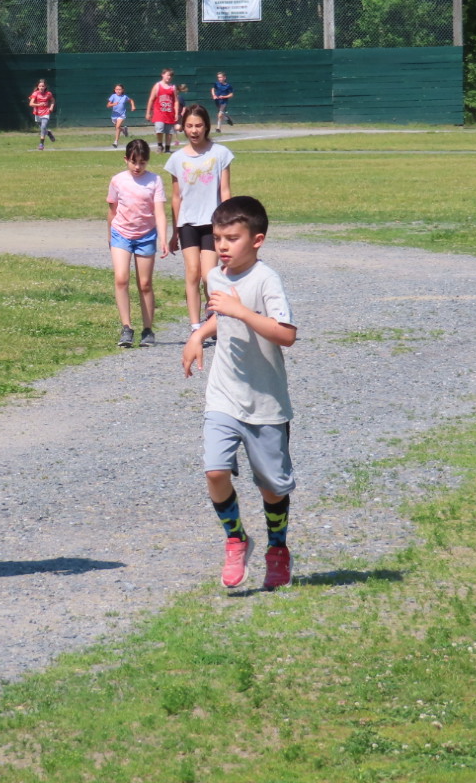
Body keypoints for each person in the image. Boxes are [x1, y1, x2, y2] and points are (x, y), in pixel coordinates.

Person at [181, 196, 296, 591]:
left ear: (257, 240)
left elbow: (286, 334)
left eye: (232, 238)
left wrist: (241, 310)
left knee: (272, 488)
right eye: (217, 239)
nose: (222, 246)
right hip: (224, 395)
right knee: (215, 471)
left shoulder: (266, 280)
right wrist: (198, 334)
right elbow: (220, 316)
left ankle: (277, 549)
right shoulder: (216, 277)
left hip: (266, 402)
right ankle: (236, 539)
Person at [166, 104, 233, 344]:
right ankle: (195, 326)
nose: (194, 130)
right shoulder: (177, 159)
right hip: (187, 224)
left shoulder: (220, 153)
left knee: (208, 276)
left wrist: (227, 225)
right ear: (183, 128)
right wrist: (175, 231)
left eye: (198, 125)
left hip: (212, 223)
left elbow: (225, 191)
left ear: (206, 126)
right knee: (192, 272)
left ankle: (211, 315)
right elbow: (176, 197)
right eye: (189, 126)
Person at [107, 138, 169, 348]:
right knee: (121, 279)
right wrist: (110, 237)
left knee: (145, 283)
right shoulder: (118, 180)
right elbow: (112, 211)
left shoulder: (154, 180)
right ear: (126, 159)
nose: (137, 167)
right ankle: (126, 327)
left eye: (142, 162)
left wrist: (163, 238)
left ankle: (147, 329)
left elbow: (159, 212)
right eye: (134, 162)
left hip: (146, 235)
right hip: (121, 234)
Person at [146, 68, 180, 154]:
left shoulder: (172, 87)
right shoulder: (157, 86)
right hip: (159, 112)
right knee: (159, 129)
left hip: (169, 112)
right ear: (163, 75)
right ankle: (160, 145)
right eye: (167, 75)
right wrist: (148, 112)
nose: (169, 77)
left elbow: (176, 101)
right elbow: (151, 99)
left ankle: (167, 148)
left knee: (169, 132)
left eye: (170, 76)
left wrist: (176, 113)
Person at [28, 79, 57, 150]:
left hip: (46, 112)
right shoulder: (35, 93)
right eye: (40, 86)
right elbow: (31, 104)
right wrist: (39, 104)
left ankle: (41, 144)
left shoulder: (48, 94)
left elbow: (53, 100)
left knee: (43, 127)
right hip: (37, 113)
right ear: (38, 87)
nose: (41, 87)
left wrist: (51, 107)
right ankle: (49, 133)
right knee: (43, 128)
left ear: (45, 87)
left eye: (43, 86)